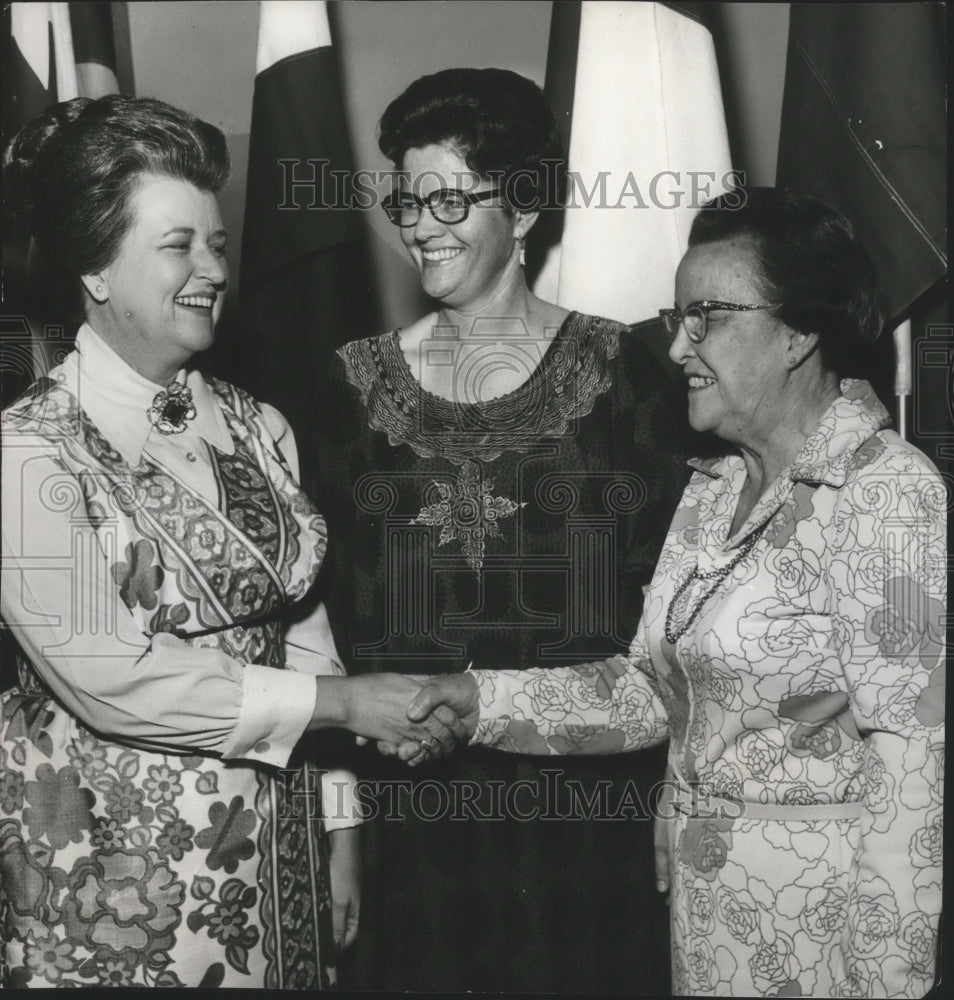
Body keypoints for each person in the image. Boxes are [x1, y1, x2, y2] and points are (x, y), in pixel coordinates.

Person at [404, 188, 945, 997]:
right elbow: (651, 693)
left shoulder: (887, 491)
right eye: (677, 318)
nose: (682, 346)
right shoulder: (715, 488)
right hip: (708, 926)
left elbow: (916, 764)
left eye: (711, 317)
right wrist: (475, 699)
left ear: (800, 329)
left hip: (825, 939)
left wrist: (886, 983)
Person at [0, 95, 460, 990]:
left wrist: (341, 822)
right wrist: (344, 707)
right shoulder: (26, 452)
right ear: (95, 268)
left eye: (215, 242)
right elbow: (111, 675)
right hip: (108, 877)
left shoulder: (258, 425)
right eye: (178, 246)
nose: (211, 267)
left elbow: (303, 625)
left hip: (273, 856)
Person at [309, 67, 690, 992]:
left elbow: (671, 626)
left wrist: (675, 803)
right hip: (415, 827)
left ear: (522, 209)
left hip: (591, 817)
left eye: (448, 198)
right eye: (405, 201)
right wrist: (344, 823)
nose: (420, 225)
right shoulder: (349, 388)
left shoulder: (625, 376)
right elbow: (324, 634)